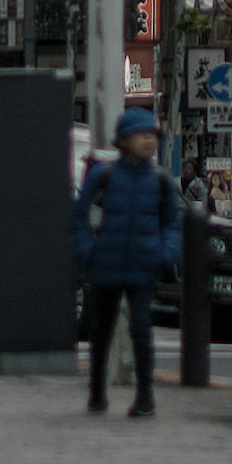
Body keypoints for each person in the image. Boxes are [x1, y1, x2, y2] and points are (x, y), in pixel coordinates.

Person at [72, 102, 181, 417]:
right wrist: (88, 252)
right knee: (101, 329)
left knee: (142, 329)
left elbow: (172, 222)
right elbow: (78, 217)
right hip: (106, 263)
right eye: (140, 135)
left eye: (152, 135)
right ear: (123, 141)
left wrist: (165, 253)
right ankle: (96, 393)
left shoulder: (161, 180)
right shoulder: (104, 175)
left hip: (144, 264)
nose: (148, 141)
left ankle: (145, 396)